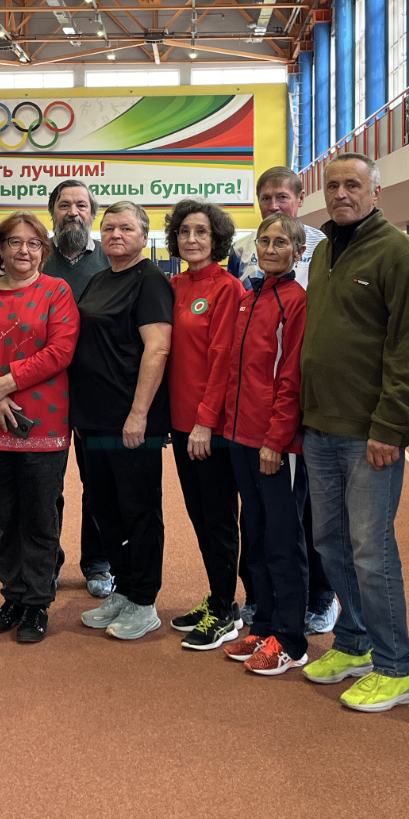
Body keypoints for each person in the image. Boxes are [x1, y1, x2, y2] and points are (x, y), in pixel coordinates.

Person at [298, 153, 409, 712]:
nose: (341, 194)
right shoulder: (326, 250)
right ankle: (353, 643)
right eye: (333, 186)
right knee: (330, 542)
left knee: (370, 550)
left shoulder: (399, 254)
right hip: (319, 428)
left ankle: (397, 665)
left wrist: (389, 425)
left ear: (376, 191)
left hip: (367, 434)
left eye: (353, 185)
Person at [0, 212, 81, 644]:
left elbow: (61, 350)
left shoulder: (57, 291)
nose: (23, 251)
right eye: (15, 242)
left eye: (33, 244)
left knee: (38, 513)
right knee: (5, 512)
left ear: (44, 250)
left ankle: (37, 602)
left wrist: (5, 384)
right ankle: (12, 595)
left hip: (43, 422)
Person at [206, 214, 310, 675]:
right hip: (239, 439)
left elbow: (291, 377)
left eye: (281, 242)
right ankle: (264, 624)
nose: (270, 248)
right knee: (258, 535)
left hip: (274, 445)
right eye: (264, 241)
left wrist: (276, 439)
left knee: (284, 541)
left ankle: (290, 637)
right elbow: (233, 373)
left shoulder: (296, 302)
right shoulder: (248, 299)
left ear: (297, 251)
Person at [71, 202, 175, 641]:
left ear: (144, 235)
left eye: (126, 227)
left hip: (131, 422)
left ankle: (144, 599)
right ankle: (123, 589)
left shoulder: (150, 280)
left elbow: (157, 349)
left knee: (139, 509)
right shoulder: (98, 279)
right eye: (109, 227)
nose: (116, 233)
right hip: (92, 420)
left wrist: (138, 414)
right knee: (103, 507)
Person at [254, 167, 338, 636]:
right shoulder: (250, 248)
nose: (273, 204)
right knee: (270, 516)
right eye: (265, 197)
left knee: (309, 514)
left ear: (300, 198)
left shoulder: (322, 248)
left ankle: (320, 598)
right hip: (259, 410)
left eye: (281, 196)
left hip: (306, 402)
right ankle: (267, 601)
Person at [164, 199, 245, 650]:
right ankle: (217, 596)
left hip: (207, 427)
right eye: (184, 232)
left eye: (201, 233)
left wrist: (204, 422)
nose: (191, 240)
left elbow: (222, 361)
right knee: (198, 514)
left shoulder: (226, 287)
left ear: (216, 240)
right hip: (178, 423)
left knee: (217, 517)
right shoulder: (174, 285)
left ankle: (226, 609)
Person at [40, 179, 114, 598]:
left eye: (82, 205)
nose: (73, 211)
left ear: (92, 212)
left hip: (95, 393)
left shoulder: (110, 259)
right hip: (44, 391)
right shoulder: (34, 255)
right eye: (65, 204)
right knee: (45, 485)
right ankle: (47, 561)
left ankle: (98, 563)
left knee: (98, 483)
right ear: (52, 210)